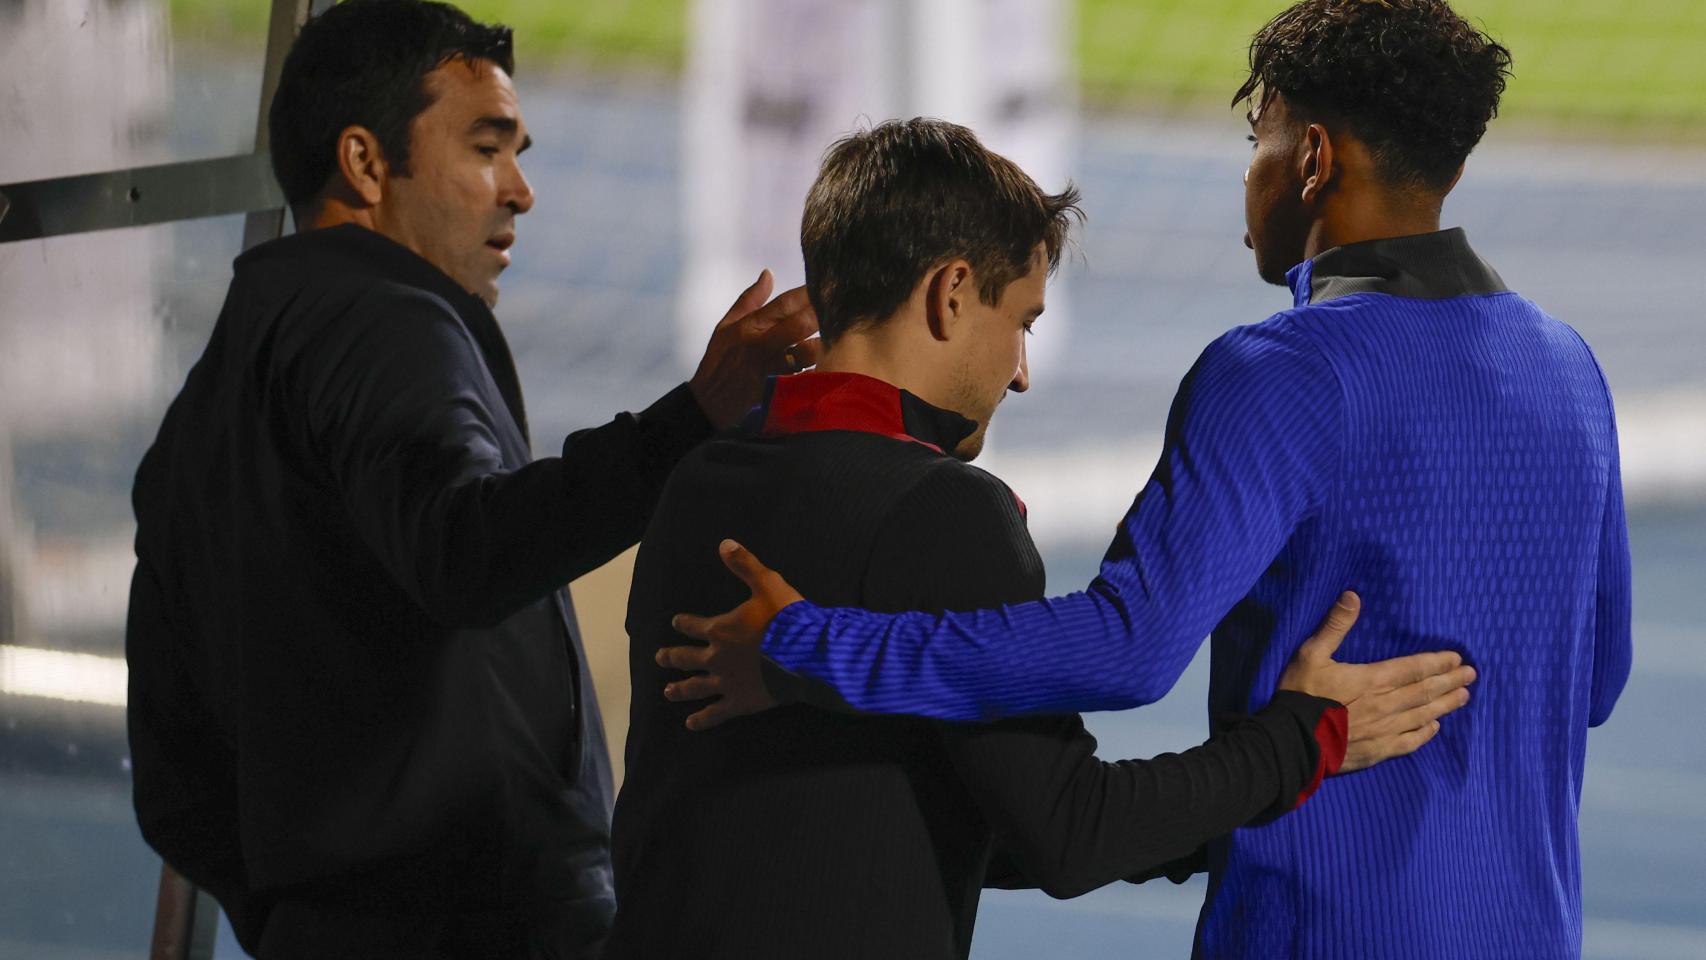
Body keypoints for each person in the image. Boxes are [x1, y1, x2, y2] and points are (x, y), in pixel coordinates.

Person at [663, 2, 1631, 958]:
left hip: (1318, 928)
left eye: (1259, 138)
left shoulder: (1281, 370)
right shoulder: (1566, 365)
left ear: (1312, 158)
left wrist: (808, 646)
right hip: (1529, 927)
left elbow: (1127, 648)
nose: (1248, 175)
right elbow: (1594, 676)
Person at [123, 3, 816, 958]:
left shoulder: (208, 408)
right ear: (365, 163)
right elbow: (467, 547)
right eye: (487, 147)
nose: (520, 190)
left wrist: (301, 914)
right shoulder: (381, 312)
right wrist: (692, 418)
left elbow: (173, 776)